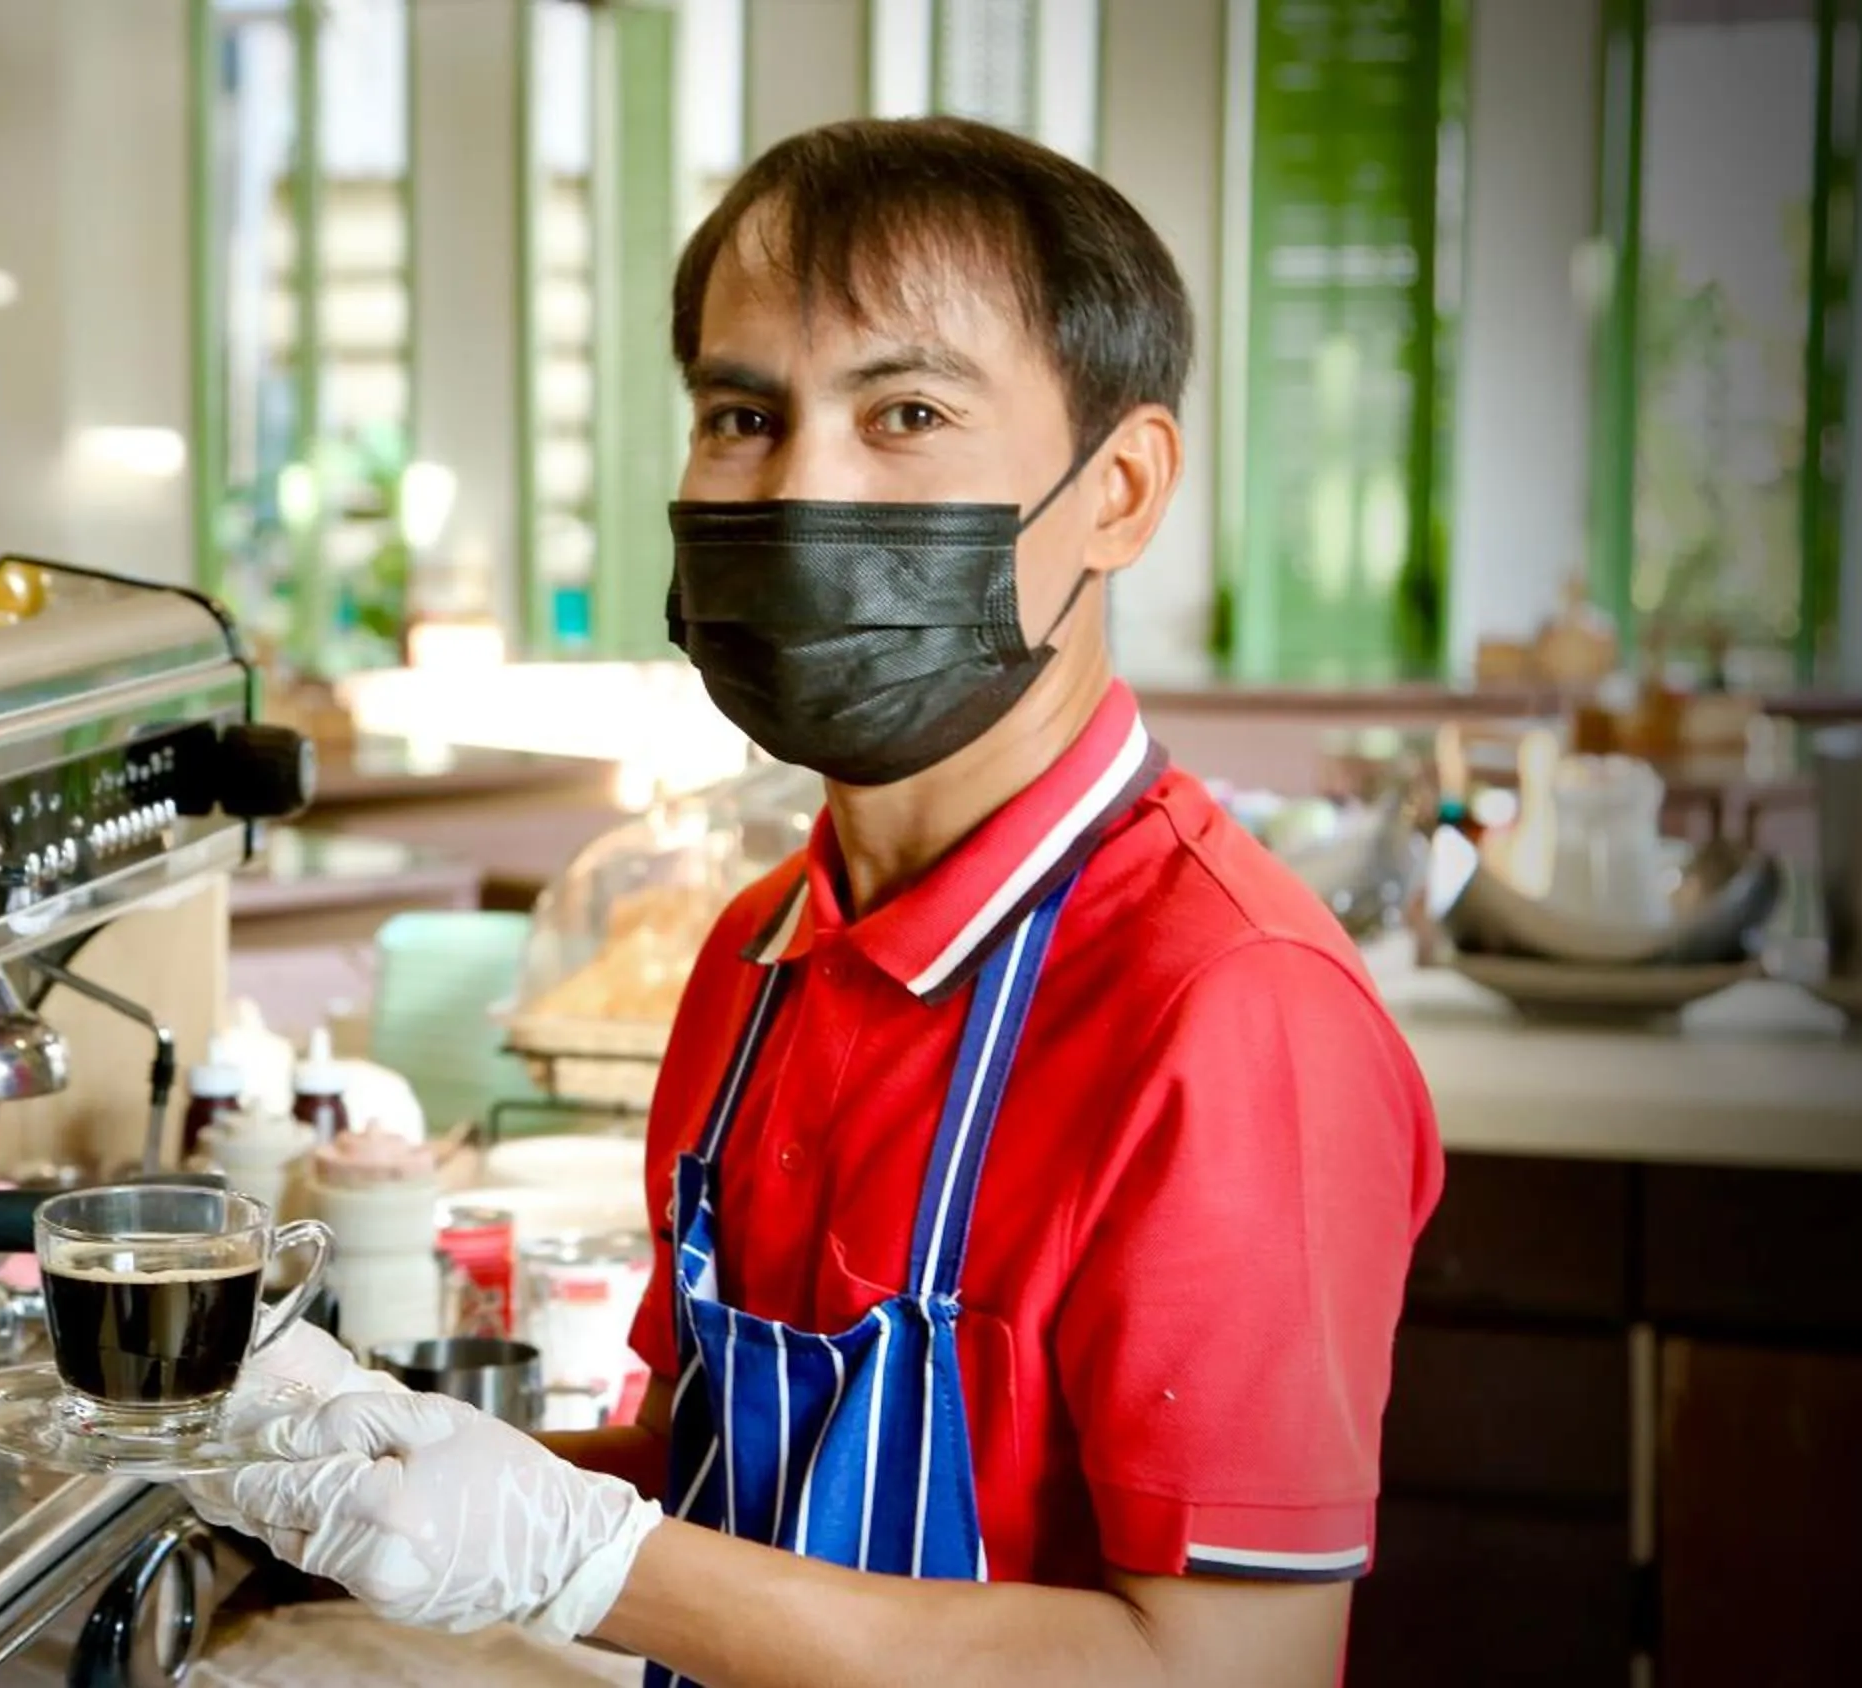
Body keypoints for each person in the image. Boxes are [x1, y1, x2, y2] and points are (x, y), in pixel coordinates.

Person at [184, 116, 1443, 1688]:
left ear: (1119, 491)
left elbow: (1227, 1670)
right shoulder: (755, 950)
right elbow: (717, 1482)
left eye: (906, 412)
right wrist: (372, 1474)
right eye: (742, 416)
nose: (798, 490)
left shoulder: (1233, 1013)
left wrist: (575, 1557)